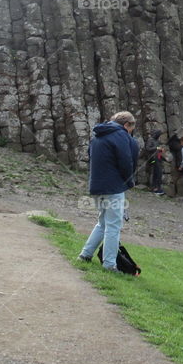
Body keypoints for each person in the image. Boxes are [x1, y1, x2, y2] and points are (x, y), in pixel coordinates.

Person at [78, 111, 139, 271]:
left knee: (103, 222)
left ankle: (86, 254)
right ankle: (109, 264)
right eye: (132, 128)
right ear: (127, 125)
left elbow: (90, 155)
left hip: (96, 185)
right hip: (113, 187)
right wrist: (129, 181)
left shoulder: (98, 135)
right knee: (114, 225)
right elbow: (126, 161)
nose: (131, 133)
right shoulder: (120, 136)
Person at [143, 129, 165, 195]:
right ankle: (157, 189)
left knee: (157, 173)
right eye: (159, 135)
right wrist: (157, 148)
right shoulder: (150, 140)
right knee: (158, 173)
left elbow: (157, 149)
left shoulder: (157, 141)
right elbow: (147, 148)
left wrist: (160, 150)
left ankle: (155, 188)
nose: (159, 136)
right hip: (152, 159)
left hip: (158, 158)